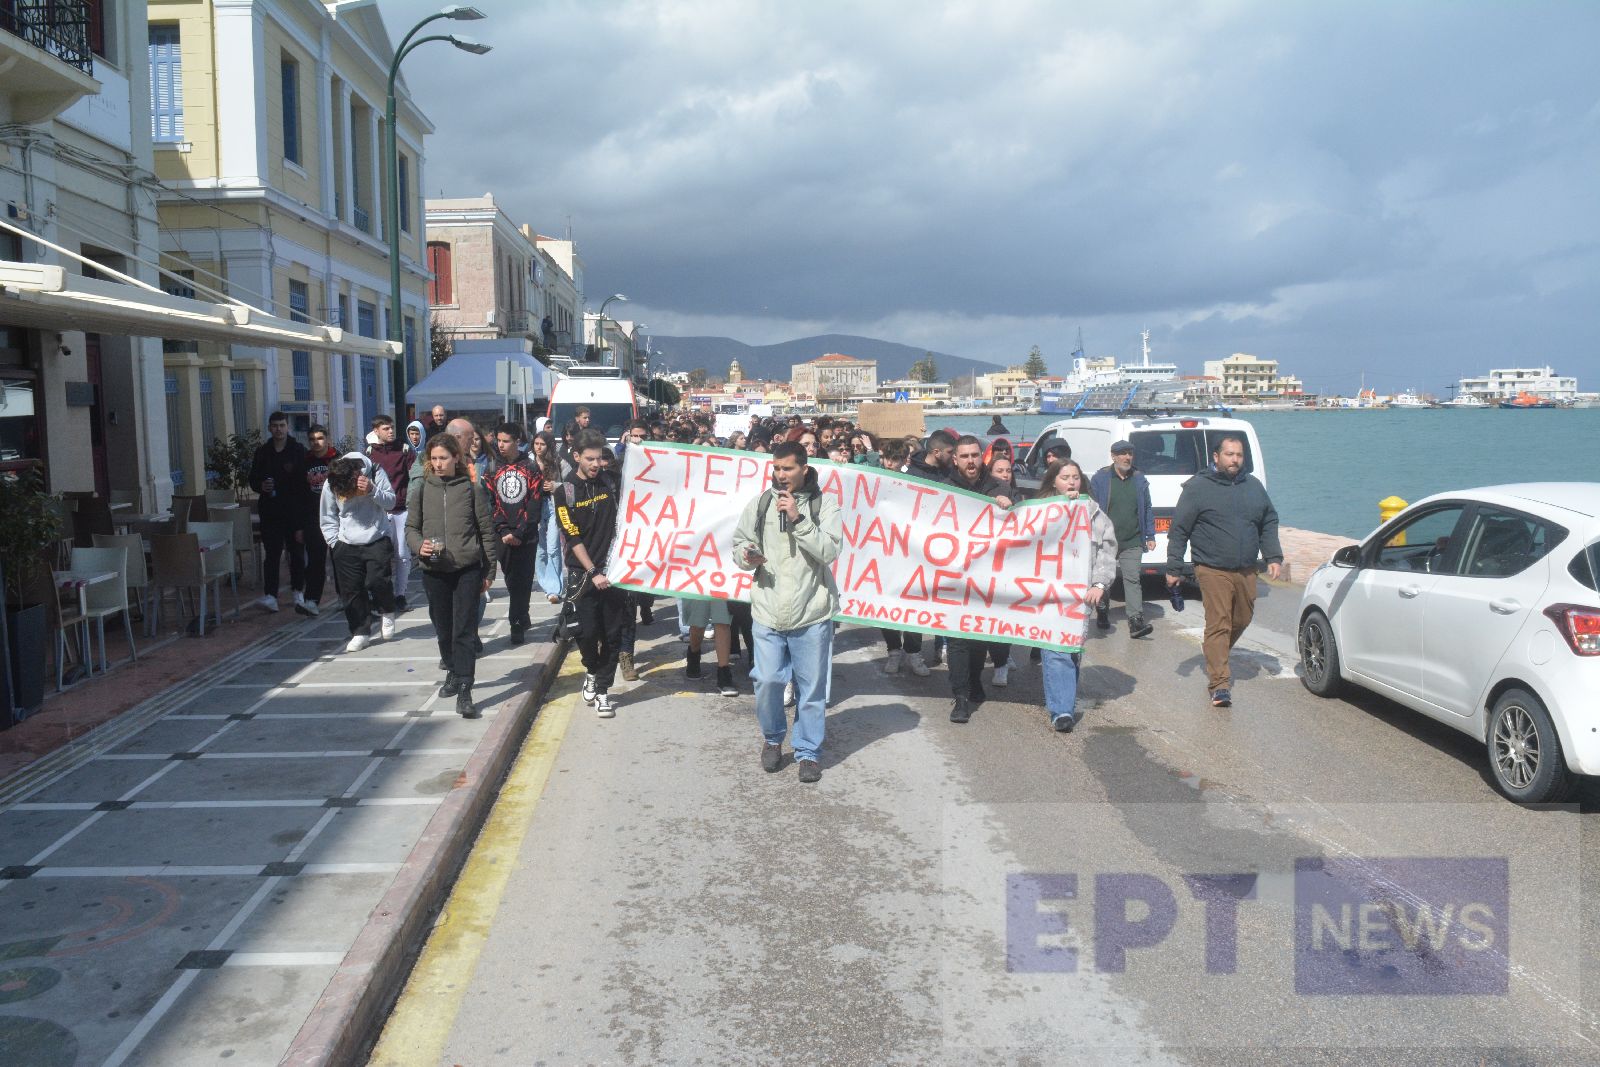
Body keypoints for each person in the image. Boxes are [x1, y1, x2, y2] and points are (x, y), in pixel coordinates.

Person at [732, 440, 842, 783]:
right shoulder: (761, 503)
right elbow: (739, 543)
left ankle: (808, 752)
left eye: (788, 469)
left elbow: (829, 551)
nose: (781, 476)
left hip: (812, 613)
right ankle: (773, 738)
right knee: (766, 681)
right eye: (776, 469)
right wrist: (747, 554)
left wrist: (798, 519)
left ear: (803, 469)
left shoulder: (826, 504)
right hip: (767, 609)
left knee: (811, 689)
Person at [1166, 433, 1283, 708]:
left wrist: (1273, 556)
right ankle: (1219, 684)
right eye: (1229, 454)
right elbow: (1180, 529)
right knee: (1219, 622)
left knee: (1242, 618)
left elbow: (1269, 519)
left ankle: (1214, 653)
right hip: (1211, 567)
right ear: (1216, 457)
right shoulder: (1197, 488)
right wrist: (1174, 567)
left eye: (1239, 455)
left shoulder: (1253, 486)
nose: (1235, 460)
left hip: (1246, 568)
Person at [408, 432, 498, 717]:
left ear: (456, 458)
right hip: (434, 569)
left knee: (464, 630)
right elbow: (411, 528)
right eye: (433, 459)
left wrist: (490, 568)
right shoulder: (423, 490)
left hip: (467, 568)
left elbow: (486, 531)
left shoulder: (472, 489)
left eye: (443, 458)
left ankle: (465, 688)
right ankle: (451, 669)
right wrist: (417, 545)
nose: (438, 464)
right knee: (443, 628)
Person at [1032, 459, 1119, 731]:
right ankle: (1061, 711)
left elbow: (1106, 551)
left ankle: (1063, 700)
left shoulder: (1094, 514)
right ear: (1053, 482)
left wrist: (1100, 585)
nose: (1071, 482)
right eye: (1065, 477)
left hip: (1081, 594)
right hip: (1047, 592)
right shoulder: (1037, 512)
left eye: (1076, 477)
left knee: (1071, 649)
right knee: (1055, 647)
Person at [556, 430, 628, 718]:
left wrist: (633, 446)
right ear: (576, 457)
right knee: (586, 634)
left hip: (614, 572)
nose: (597, 464)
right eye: (590, 459)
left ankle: (602, 690)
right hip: (584, 573)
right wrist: (593, 571)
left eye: (600, 458)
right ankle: (591, 669)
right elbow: (572, 537)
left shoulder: (610, 482)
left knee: (612, 635)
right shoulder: (565, 492)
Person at [945, 436, 1014, 720]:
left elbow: (1018, 530)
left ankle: (974, 680)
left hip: (986, 578)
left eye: (975, 455)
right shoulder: (943, 490)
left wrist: (1009, 507)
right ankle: (960, 697)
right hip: (954, 577)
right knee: (956, 638)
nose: (970, 461)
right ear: (955, 460)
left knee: (979, 637)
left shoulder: (998, 488)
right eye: (964, 456)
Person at [319, 452, 398, 652]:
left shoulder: (375, 472)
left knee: (377, 580)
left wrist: (372, 490)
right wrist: (334, 542)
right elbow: (327, 514)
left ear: (357, 475)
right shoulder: (333, 480)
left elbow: (391, 502)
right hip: (346, 543)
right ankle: (360, 631)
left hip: (376, 538)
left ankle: (387, 610)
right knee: (351, 589)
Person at [1089, 440, 1156, 639]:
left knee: (1133, 579)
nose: (1127, 458)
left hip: (1132, 539)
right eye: (1123, 454)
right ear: (1113, 456)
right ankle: (1102, 610)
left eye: (1130, 454)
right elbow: (1091, 507)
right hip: (1106, 541)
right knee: (1105, 578)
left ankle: (1136, 621)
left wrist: (1150, 534)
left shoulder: (1139, 478)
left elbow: (1147, 508)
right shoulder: (1100, 478)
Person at [248, 411, 309, 613]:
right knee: (272, 554)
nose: (278, 429)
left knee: (297, 554)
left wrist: (302, 515)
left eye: (282, 425)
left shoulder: (297, 450)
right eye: (274, 426)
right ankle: (271, 595)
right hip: (271, 511)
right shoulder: (263, 452)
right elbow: (253, 479)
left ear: (287, 427)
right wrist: (260, 486)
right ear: (269, 428)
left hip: (293, 511)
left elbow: (303, 482)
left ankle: (298, 591)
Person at [489, 422, 540, 645]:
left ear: (517, 441)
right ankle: (521, 612)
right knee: (511, 579)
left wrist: (520, 531)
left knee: (524, 578)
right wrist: (502, 529)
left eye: (506, 441)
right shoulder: (492, 468)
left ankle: (516, 622)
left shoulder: (530, 467)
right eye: (498, 440)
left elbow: (534, 502)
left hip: (526, 533)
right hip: (502, 534)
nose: (501, 445)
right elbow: (490, 502)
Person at [365, 415, 414, 610]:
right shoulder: (369, 453)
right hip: (379, 511)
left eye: (392, 427)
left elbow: (414, 476)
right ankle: (380, 596)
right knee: (380, 556)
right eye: (385, 428)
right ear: (376, 431)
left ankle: (400, 594)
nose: (390, 431)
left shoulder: (403, 450)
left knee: (402, 554)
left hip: (401, 508)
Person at [296, 424, 339, 616]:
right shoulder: (304, 462)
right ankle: (311, 600)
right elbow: (298, 496)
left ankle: (344, 597)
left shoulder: (338, 460)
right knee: (315, 561)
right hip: (313, 518)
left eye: (320, 438)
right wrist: (299, 526)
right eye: (312, 439)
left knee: (339, 559)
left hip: (338, 517)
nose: (316, 442)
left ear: (327, 439)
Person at [530, 431, 565, 606]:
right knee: (540, 549)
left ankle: (554, 589)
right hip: (535, 507)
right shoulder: (528, 461)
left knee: (553, 546)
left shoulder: (558, 461)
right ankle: (545, 583)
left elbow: (572, 483)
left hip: (552, 507)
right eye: (536, 443)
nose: (538, 447)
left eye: (542, 444)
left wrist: (555, 486)